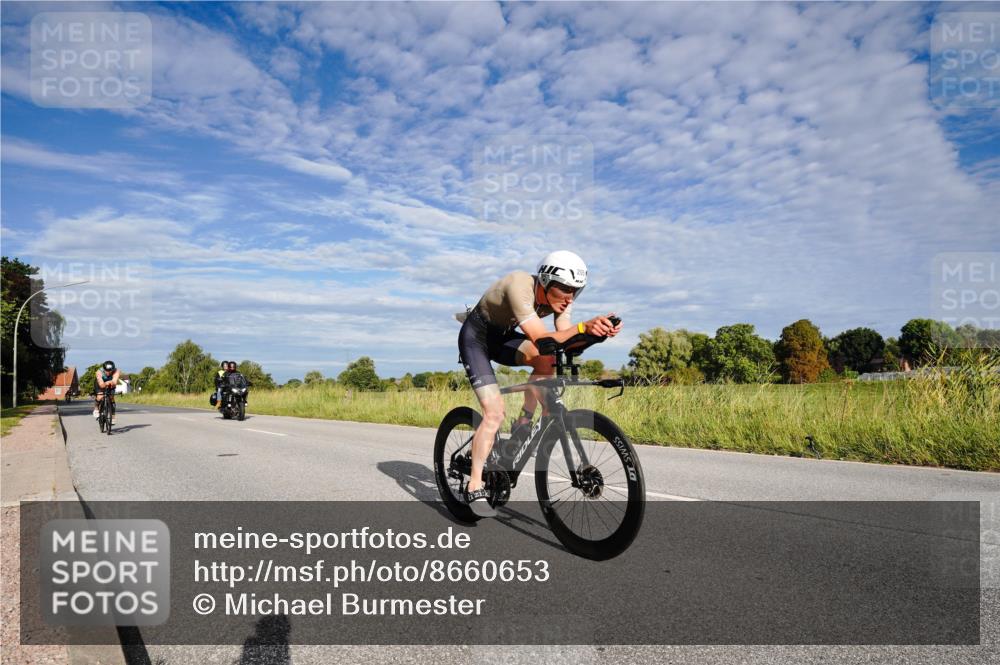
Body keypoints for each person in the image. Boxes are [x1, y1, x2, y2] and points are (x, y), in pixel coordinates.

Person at [457, 251, 622, 517]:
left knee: (547, 360)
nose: (570, 297)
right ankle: (475, 483)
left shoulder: (564, 300)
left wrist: (596, 335)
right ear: (545, 281)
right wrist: (583, 328)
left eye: (576, 290)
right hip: (477, 338)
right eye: (566, 289)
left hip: (505, 337)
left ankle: (524, 422)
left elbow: (563, 341)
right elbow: (544, 338)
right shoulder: (519, 284)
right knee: (494, 413)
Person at [93, 360, 120, 424]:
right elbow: (101, 385)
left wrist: (110, 383)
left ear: (113, 369)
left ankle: (113, 416)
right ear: (104, 369)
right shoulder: (99, 372)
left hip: (110, 384)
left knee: (111, 398)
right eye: (106, 371)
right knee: (100, 396)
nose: (108, 372)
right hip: (99, 384)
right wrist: (108, 383)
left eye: (110, 371)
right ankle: (96, 408)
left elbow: (114, 382)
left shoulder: (116, 371)